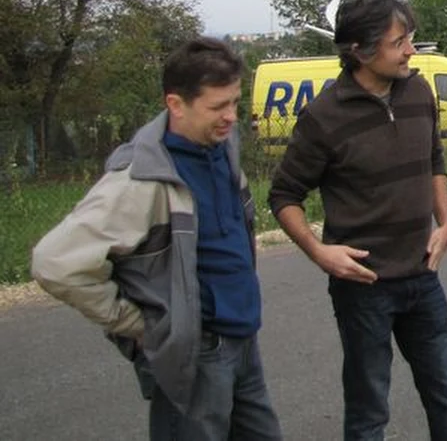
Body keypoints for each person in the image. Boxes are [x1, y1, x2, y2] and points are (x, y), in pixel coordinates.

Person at [31, 37, 283, 440]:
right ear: (176, 104)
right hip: (197, 354)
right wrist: (141, 324)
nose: (231, 116)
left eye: (235, 102)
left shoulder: (222, 146)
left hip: (244, 342)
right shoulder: (140, 177)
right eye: (218, 106)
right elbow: (54, 263)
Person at [268, 0, 447, 441]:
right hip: (363, 288)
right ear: (359, 49)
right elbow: (283, 195)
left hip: (422, 277)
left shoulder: (419, 91)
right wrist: (319, 253)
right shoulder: (323, 116)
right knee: (368, 412)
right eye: (399, 43)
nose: (410, 51)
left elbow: (434, 159)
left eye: (410, 39)